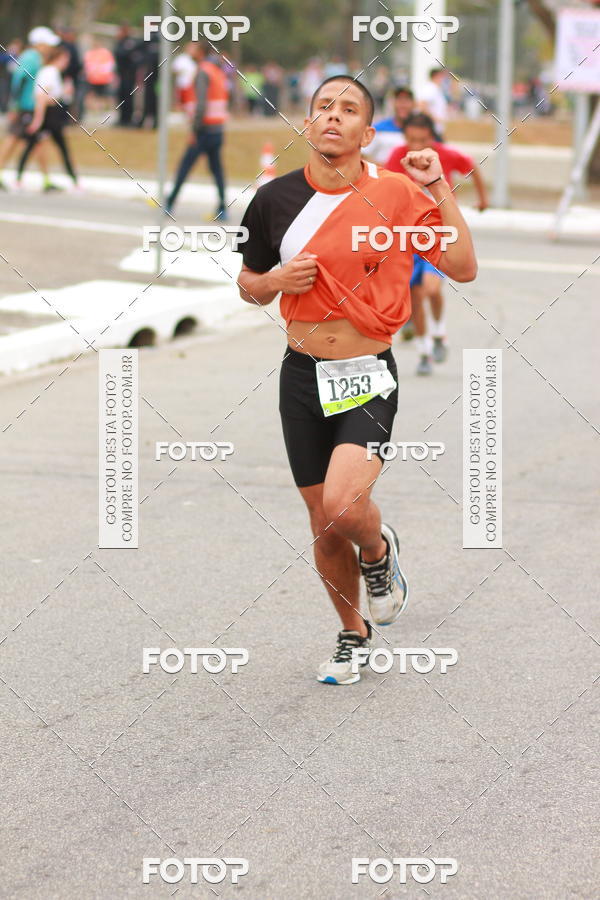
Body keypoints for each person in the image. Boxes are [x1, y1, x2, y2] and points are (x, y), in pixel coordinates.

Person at [235, 76, 477, 684]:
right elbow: (248, 284)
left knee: (346, 508)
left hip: (367, 374)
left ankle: (378, 550)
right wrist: (276, 283)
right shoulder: (272, 200)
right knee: (322, 522)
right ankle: (352, 634)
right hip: (301, 374)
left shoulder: (394, 195)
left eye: (348, 110)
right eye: (323, 108)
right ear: (307, 124)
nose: (333, 117)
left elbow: (463, 267)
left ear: (368, 133)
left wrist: (438, 187)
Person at [387, 113, 488, 375]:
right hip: (407, 239)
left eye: (422, 140)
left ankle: (440, 333)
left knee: (431, 289)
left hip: (438, 233)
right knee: (415, 296)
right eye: (411, 139)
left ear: (432, 138)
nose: (416, 146)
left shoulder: (444, 155)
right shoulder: (397, 157)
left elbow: (473, 167)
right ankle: (424, 351)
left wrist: (483, 199)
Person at [165, 42, 228, 219]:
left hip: (204, 129)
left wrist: (194, 129)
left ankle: (170, 203)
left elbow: (201, 105)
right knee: (217, 169)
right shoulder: (217, 71)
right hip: (217, 127)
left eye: (192, 48)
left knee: (185, 166)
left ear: (200, 52)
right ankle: (223, 207)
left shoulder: (203, 71)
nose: (189, 51)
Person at [0, 27, 58, 192]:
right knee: (14, 139)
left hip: (30, 107)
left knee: (37, 142)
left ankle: (46, 179)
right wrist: (15, 106)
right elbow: (19, 80)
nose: (50, 47)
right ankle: (46, 179)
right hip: (25, 107)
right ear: (39, 43)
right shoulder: (31, 58)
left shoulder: (36, 57)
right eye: (47, 43)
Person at [16, 43, 79, 189]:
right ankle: (75, 181)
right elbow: (42, 97)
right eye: (66, 59)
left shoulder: (51, 72)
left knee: (33, 146)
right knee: (60, 147)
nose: (67, 63)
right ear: (60, 58)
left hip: (50, 114)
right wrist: (38, 120)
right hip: (49, 115)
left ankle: (19, 178)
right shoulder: (50, 72)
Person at [364, 84, 414, 165]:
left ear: (413, 104)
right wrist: (386, 169)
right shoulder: (379, 128)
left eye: (407, 100)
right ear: (393, 103)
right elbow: (363, 154)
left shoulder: (420, 130)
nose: (403, 105)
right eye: (399, 100)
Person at [114, 24, 142, 127]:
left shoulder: (131, 42)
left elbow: (127, 55)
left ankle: (128, 118)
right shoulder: (120, 42)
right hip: (121, 75)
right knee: (121, 96)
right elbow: (118, 54)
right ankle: (122, 118)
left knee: (128, 97)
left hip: (129, 75)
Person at [83, 38, 115, 112]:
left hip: (103, 79)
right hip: (93, 79)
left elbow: (109, 65)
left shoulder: (105, 53)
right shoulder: (90, 53)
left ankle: (102, 109)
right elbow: (87, 65)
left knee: (103, 95)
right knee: (93, 95)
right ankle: (96, 109)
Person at [417, 67, 449, 138]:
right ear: (437, 76)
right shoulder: (431, 88)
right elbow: (422, 105)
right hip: (431, 129)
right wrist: (435, 119)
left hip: (435, 129)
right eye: (442, 76)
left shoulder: (436, 89)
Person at [172, 43, 198, 120]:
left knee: (189, 104)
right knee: (180, 104)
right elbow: (174, 69)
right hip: (182, 85)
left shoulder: (193, 60)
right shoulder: (181, 58)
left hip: (190, 86)